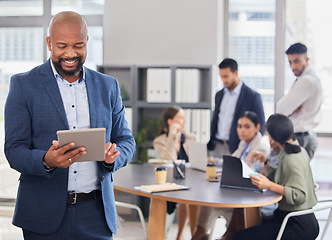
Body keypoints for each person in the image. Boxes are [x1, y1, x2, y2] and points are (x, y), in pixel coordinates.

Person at [4, 11, 135, 240]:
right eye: (62, 45)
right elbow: (14, 149)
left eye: (78, 45)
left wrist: (114, 156)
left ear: (87, 43)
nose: (70, 54)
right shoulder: (23, 85)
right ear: (49, 43)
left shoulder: (108, 86)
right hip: (42, 214)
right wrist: (46, 160)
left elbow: (126, 140)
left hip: (96, 215)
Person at [232, 114, 319, 240]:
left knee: (241, 236)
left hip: (297, 225)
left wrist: (269, 185)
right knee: (245, 225)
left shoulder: (291, 159)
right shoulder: (295, 150)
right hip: (292, 218)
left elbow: (300, 194)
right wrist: (265, 162)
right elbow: (282, 178)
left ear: (273, 138)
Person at [192, 111, 269, 240]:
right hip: (237, 189)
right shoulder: (244, 144)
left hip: (250, 195)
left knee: (208, 197)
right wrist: (214, 161)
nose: (242, 130)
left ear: (257, 127)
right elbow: (233, 160)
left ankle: (205, 232)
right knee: (206, 194)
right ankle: (202, 231)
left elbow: (248, 170)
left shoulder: (261, 147)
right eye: (239, 126)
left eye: (247, 126)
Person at [207, 58, 265, 159]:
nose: (223, 80)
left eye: (226, 76)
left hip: (237, 147)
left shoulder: (252, 96)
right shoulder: (219, 95)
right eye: (221, 77)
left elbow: (261, 125)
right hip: (218, 145)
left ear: (236, 73)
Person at [153, 105, 195, 240]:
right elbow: (168, 159)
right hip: (169, 181)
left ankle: (180, 234)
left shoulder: (190, 139)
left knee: (187, 197)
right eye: (181, 118)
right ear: (170, 121)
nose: (184, 122)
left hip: (189, 181)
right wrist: (172, 135)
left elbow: (196, 161)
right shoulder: (159, 141)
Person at [276, 43, 322, 160]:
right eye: (290, 62)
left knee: (292, 177)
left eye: (296, 61)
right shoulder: (310, 78)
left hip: (301, 138)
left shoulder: (306, 81)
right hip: (306, 135)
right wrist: (291, 108)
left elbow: (281, 108)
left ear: (306, 59)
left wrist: (289, 110)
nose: (293, 66)